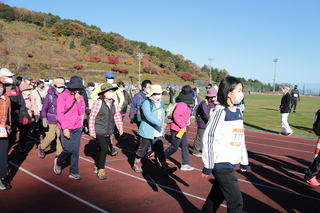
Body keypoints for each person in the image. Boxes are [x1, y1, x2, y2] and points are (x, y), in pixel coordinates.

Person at [201, 76, 249, 213]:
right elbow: (209, 137)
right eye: (239, 90)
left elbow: (241, 139)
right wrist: (208, 164)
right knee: (236, 201)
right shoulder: (220, 112)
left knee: (216, 197)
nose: (241, 93)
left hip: (231, 162)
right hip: (220, 162)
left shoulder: (238, 112)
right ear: (229, 92)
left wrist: (244, 161)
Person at [133, 85, 177, 176]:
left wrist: (167, 117)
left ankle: (165, 166)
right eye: (157, 93)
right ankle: (137, 163)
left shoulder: (161, 103)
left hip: (158, 131)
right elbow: (148, 116)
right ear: (152, 94)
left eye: (161, 93)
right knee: (142, 149)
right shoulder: (146, 102)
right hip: (147, 130)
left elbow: (162, 114)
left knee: (160, 149)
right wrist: (160, 123)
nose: (159, 95)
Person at [89, 83, 123, 180]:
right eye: (109, 92)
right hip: (99, 129)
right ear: (103, 93)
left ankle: (96, 164)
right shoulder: (98, 102)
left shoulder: (114, 102)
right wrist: (92, 131)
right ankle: (101, 169)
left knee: (101, 148)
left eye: (112, 92)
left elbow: (116, 116)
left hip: (108, 129)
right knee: (104, 148)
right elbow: (92, 117)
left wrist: (120, 128)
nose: (111, 93)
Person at [54, 76, 85, 180]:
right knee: (68, 149)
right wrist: (65, 128)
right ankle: (59, 161)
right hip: (66, 125)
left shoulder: (80, 97)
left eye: (79, 89)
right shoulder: (62, 96)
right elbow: (60, 113)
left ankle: (73, 172)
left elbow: (81, 112)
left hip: (77, 126)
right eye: (77, 88)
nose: (78, 90)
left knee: (76, 150)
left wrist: (79, 101)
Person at [164, 85, 194, 171]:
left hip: (182, 129)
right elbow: (176, 115)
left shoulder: (185, 104)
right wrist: (183, 125)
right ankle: (162, 157)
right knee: (175, 146)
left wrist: (188, 119)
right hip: (176, 128)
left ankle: (185, 164)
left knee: (185, 146)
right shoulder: (181, 104)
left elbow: (184, 115)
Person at [38, 78, 65, 159]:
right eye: (58, 86)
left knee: (60, 137)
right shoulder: (49, 96)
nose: (60, 88)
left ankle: (59, 154)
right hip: (51, 119)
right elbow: (44, 108)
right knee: (50, 136)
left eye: (62, 86)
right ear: (54, 86)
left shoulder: (65, 94)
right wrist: (44, 118)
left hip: (62, 120)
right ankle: (42, 147)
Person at [0, 68, 15, 190]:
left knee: (3, 154)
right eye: (7, 76)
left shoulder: (7, 96)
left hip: (3, 130)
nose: (9, 79)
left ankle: (2, 178)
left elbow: (8, 114)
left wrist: (8, 126)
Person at [129, 80, 153, 154]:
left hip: (148, 118)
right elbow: (133, 106)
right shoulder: (138, 96)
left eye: (150, 87)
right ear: (143, 87)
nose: (150, 89)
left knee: (144, 134)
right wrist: (132, 117)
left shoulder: (151, 96)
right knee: (143, 134)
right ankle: (147, 149)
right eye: (148, 87)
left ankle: (142, 148)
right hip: (140, 118)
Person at [192, 88, 217, 157]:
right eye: (214, 96)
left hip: (208, 122)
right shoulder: (204, 102)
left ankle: (206, 150)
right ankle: (195, 151)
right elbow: (205, 115)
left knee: (208, 138)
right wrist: (213, 121)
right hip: (203, 123)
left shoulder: (211, 102)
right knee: (200, 137)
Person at [18, 83, 40, 153]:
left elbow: (34, 106)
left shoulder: (30, 97)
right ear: (22, 90)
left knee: (26, 132)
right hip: (21, 118)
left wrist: (36, 114)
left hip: (29, 117)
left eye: (28, 89)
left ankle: (22, 144)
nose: (27, 91)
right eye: (26, 90)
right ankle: (22, 146)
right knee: (23, 132)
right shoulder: (19, 97)